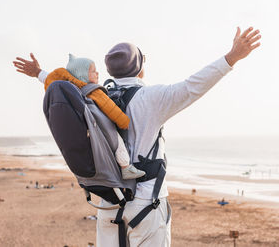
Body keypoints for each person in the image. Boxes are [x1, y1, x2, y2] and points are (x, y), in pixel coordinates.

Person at [14, 26, 261, 246]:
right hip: (147, 203)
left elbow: (67, 84)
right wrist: (231, 58)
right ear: (140, 67)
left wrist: (39, 73)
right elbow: (192, 86)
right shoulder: (152, 99)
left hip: (108, 203)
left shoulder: (92, 94)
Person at [16, 53, 145, 180]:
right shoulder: (95, 92)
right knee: (119, 143)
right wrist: (125, 122)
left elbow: (52, 80)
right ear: (83, 75)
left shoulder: (72, 92)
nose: (97, 73)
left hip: (89, 141)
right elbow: (112, 110)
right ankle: (126, 167)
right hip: (104, 131)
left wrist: (38, 72)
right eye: (94, 71)